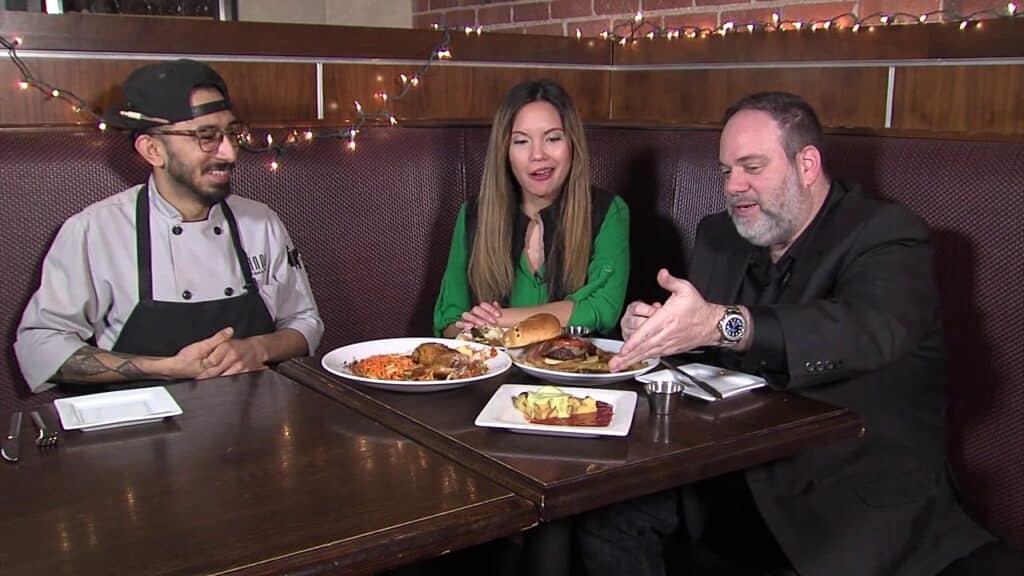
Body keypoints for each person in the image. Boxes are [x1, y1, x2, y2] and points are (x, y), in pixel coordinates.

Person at [579, 92, 998, 576]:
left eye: (752, 167)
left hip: (846, 488)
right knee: (604, 513)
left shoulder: (887, 235)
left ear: (807, 164)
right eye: (725, 171)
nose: (735, 185)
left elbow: (863, 330)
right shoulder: (720, 235)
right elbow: (708, 343)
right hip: (728, 467)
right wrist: (661, 330)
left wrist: (719, 323)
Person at [15, 59, 324, 392]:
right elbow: (41, 347)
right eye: (206, 136)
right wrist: (165, 368)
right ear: (152, 150)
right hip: (142, 430)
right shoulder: (95, 230)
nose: (230, 153)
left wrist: (257, 348)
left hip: (256, 421)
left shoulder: (260, 221)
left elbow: (305, 323)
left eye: (232, 133)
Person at [433, 79, 629, 337]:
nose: (538, 154)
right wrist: (469, 331)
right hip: (492, 371)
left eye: (553, 138)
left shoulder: (608, 212)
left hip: (575, 374)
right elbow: (449, 319)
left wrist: (497, 319)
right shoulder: (473, 215)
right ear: (505, 151)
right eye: (521, 141)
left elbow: (602, 309)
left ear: (573, 144)